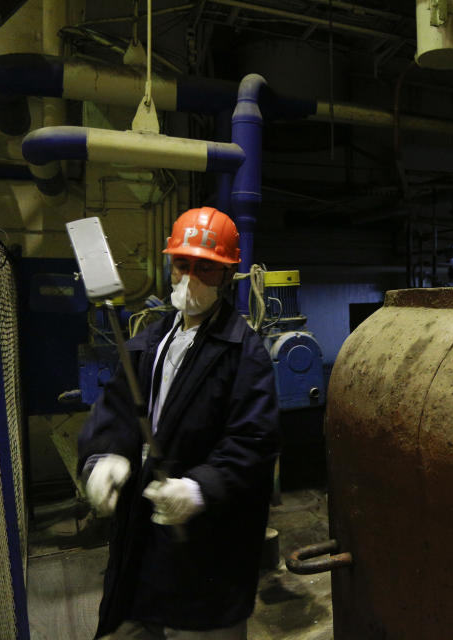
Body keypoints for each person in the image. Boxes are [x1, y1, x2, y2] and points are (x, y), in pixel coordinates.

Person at [78, 207, 280, 640]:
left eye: (205, 269)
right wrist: (104, 455)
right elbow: (117, 406)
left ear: (226, 276)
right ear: (169, 265)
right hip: (142, 538)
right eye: (182, 265)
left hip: (204, 550)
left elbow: (253, 441)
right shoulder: (149, 340)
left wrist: (201, 487)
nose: (191, 279)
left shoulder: (245, 353)